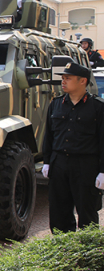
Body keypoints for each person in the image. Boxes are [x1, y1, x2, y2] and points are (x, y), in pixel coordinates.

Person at [41, 61, 104, 233]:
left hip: (86, 166)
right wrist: (47, 161)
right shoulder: (56, 104)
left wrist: (103, 171)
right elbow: (49, 136)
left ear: (82, 81)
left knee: (87, 214)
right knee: (59, 212)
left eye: (68, 78)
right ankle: (63, 251)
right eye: (63, 78)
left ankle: (86, 254)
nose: (63, 81)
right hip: (59, 164)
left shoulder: (98, 107)